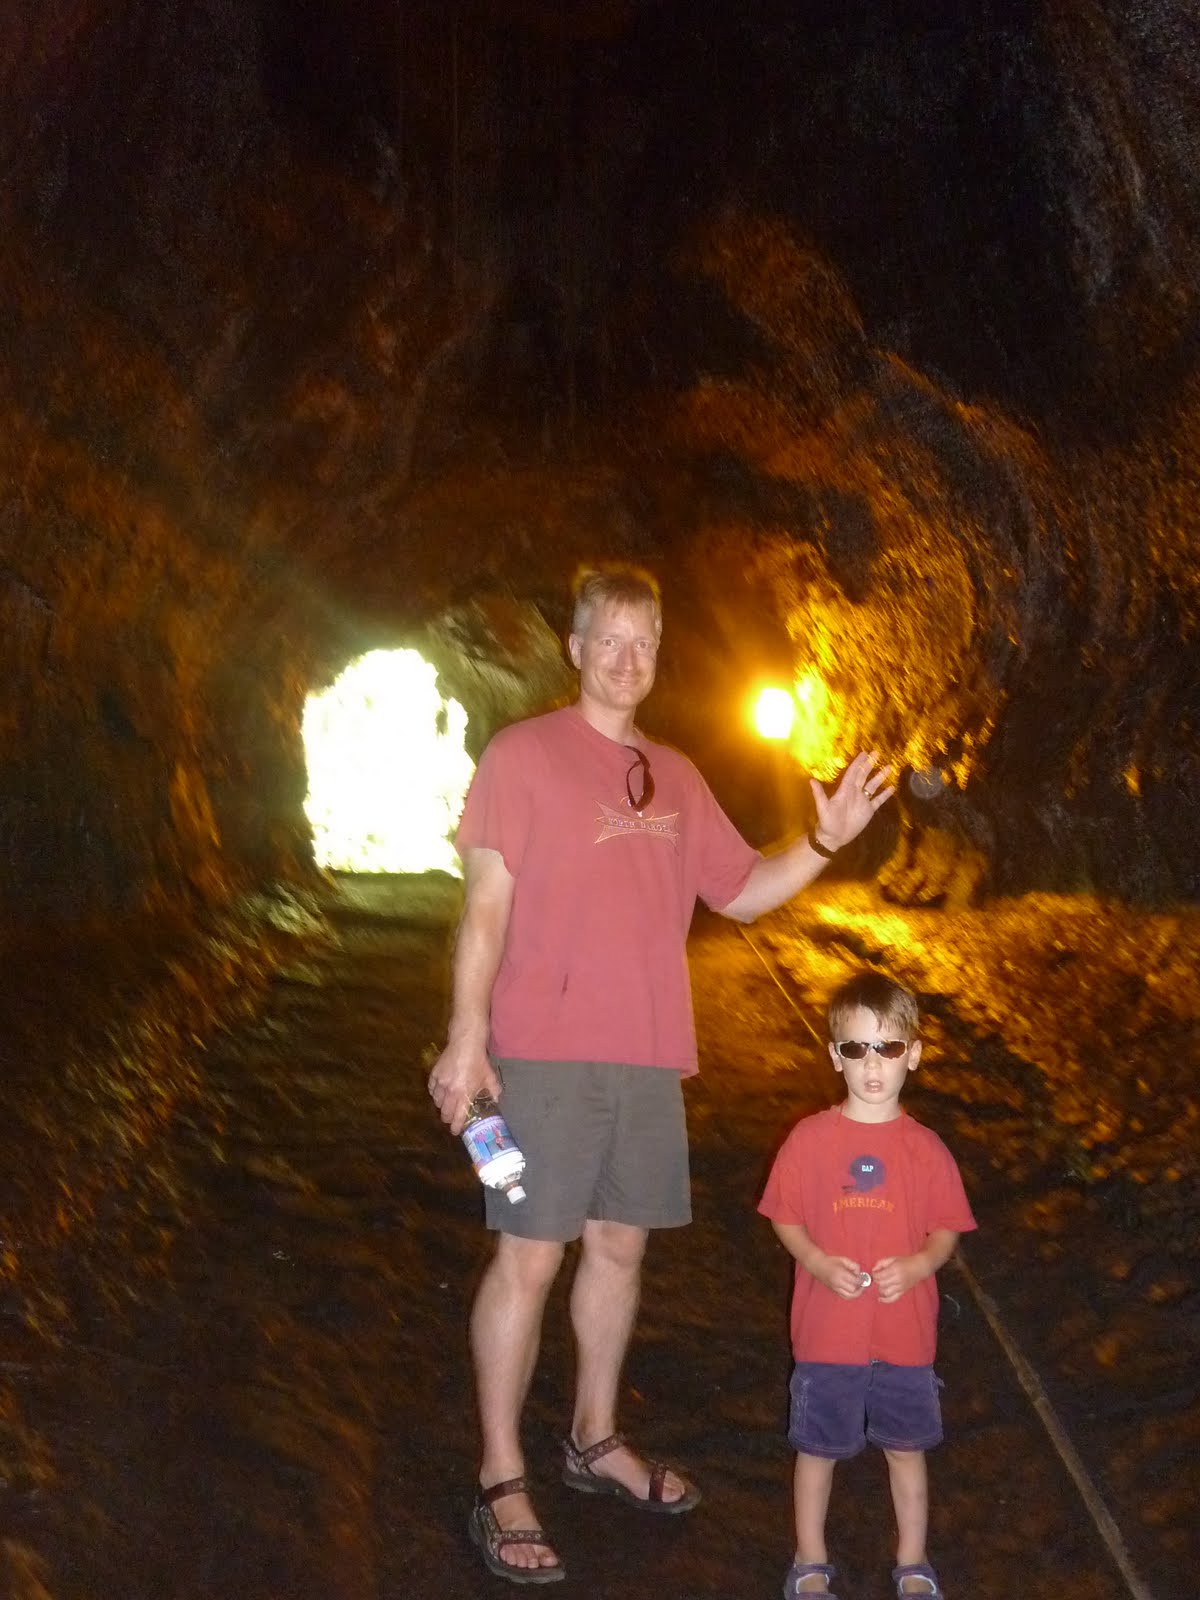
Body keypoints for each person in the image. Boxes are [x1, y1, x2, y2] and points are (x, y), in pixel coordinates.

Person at [428, 562, 894, 1585]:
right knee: (528, 1257)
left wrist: (822, 841)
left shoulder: (677, 777)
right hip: (542, 1053)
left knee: (619, 1248)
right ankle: (501, 1474)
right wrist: (467, 1037)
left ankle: (593, 1437)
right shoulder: (522, 755)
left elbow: (743, 892)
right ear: (575, 647)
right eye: (609, 639)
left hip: (647, 1057)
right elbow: (486, 909)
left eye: (645, 642)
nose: (627, 658)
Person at [758, 972, 977, 1600]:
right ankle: (809, 1559)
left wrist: (919, 1266)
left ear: (914, 1053)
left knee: (907, 1449)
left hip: (904, 1336)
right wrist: (816, 1261)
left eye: (887, 1047)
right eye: (856, 1048)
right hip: (827, 1334)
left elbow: (946, 1229)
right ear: (835, 1056)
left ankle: (912, 1559)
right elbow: (784, 1215)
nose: (872, 1064)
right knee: (817, 1449)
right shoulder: (810, 1139)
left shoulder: (926, 1149)